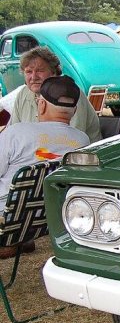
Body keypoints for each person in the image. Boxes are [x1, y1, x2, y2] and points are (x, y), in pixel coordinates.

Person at [0, 76, 90, 258]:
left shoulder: (16, 133)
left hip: (6, 219)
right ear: (73, 111)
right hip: (47, 220)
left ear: (41, 105)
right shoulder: (82, 141)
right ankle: (19, 242)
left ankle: (13, 243)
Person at [8, 47, 102, 142]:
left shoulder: (69, 93)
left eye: (40, 71)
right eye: (28, 72)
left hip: (77, 154)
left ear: (54, 72)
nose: (34, 77)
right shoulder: (23, 94)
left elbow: (71, 141)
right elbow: (12, 133)